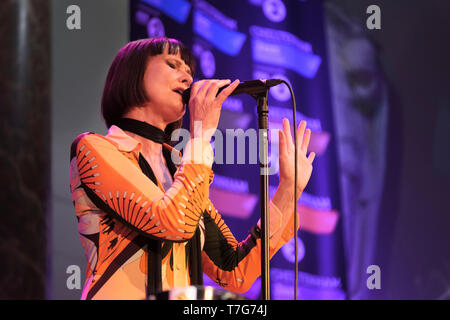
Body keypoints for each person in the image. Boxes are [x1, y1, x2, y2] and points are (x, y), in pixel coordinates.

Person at [69, 37, 315, 300]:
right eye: (173, 64)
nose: (187, 78)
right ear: (132, 74)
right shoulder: (94, 148)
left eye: (190, 71)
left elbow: (233, 271)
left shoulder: (180, 166)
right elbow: (171, 222)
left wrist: (289, 189)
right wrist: (201, 134)